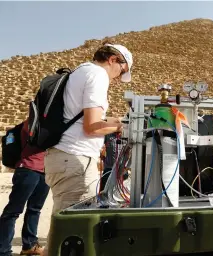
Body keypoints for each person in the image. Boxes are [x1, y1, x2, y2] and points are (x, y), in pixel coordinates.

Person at [43, 42, 133, 255]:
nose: (120, 77)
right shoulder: (98, 75)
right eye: (122, 70)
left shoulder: (81, 71)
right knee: (73, 236)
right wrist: (124, 127)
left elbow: (90, 118)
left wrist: (121, 120)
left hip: (65, 158)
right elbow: (92, 126)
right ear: (112, 60)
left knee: (62, 232)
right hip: (76, 160)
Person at [0, 120, 49, 256]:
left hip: (45, 170)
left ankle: (29, 245)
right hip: (28, 169)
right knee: (13, 211)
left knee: (35, 210)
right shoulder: (32, 121)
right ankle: (3, 250)